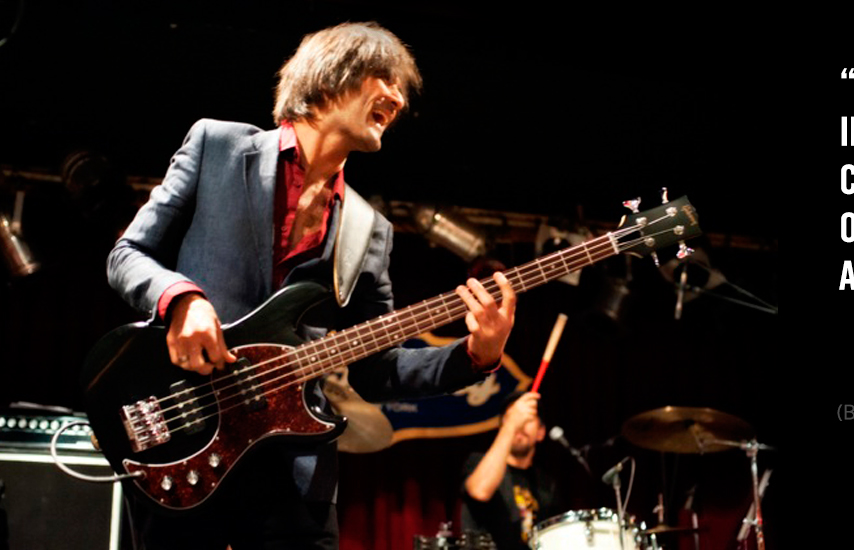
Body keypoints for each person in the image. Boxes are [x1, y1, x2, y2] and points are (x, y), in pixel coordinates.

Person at [106, 22, 516, 549]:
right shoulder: (217, 146)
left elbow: (378, 369)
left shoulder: (369, 231)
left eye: (401, 90)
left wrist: (476, 354)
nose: (397, 99)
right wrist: (181, 299)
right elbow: (127, 255)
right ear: (327, 80)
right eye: (383, 79)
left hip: (294, 474)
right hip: (183, 437)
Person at [461, 391, 560, 550]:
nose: (519, 425)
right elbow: (480, 491)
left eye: (527, 419)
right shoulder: (478, 462)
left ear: (541, 432)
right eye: (513, 418)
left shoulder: (546, 484)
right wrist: (511, 424)